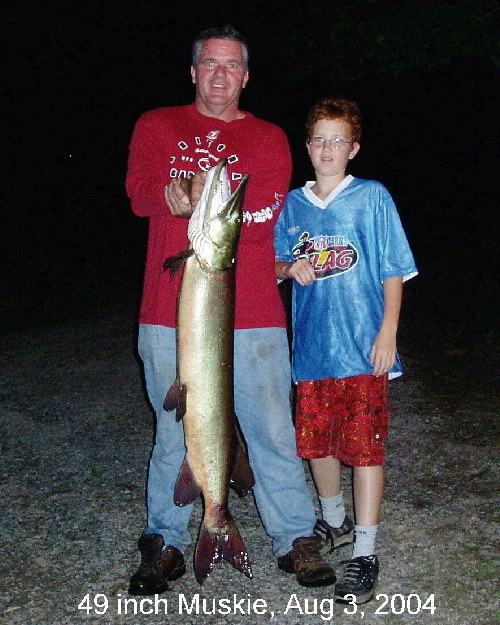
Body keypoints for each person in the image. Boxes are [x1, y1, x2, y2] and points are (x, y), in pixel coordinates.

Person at [125, 25, 336, 593]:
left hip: (255, 314)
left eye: (232, 65)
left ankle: (295, 537)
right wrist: (173, 194)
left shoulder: (267, 138)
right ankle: (165, 541)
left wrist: (205, 198)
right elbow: (141, 192)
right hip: (167, 314)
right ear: (194, 72)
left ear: (246, 76)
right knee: (173, 432)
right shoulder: (156, 125)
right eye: (211, 64)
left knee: (272, 430)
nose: (221, 74)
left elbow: (261, 216)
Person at [274, 97, 418, 604]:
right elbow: (271, 262)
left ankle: (365, 549)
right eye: (320, 139)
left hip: (362, 348)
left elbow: (393, 269)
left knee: (364, 446)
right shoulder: (292, 205)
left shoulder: (372, 197)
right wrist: (288, 268)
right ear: (307, 145)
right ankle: (334, 522)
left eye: (338, 140)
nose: (328, 149)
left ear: (353, 148)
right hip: (313, 350)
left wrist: (388, 332)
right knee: (318, 444)